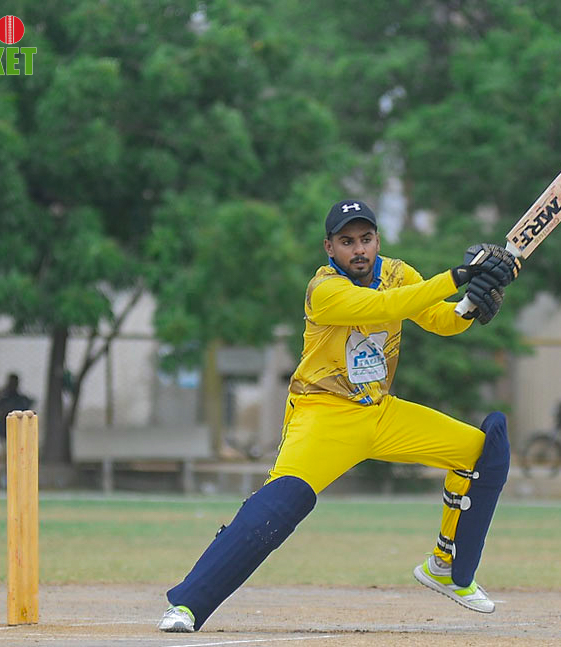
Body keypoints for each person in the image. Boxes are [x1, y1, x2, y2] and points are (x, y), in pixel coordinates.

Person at [158, 199, 520, 632]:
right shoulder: (324, 289)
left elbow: (441, 320)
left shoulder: (399, 273)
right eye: (347, 242)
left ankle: (447, 567)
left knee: (483, 452)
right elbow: (385, 308)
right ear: (329, 248)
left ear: (378, 240)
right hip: (323, 413)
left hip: (380, 412)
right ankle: (187, 604)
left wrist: (470, 305)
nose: (359, 249)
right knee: (280, 503)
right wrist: (460, 276)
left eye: (366, 239)